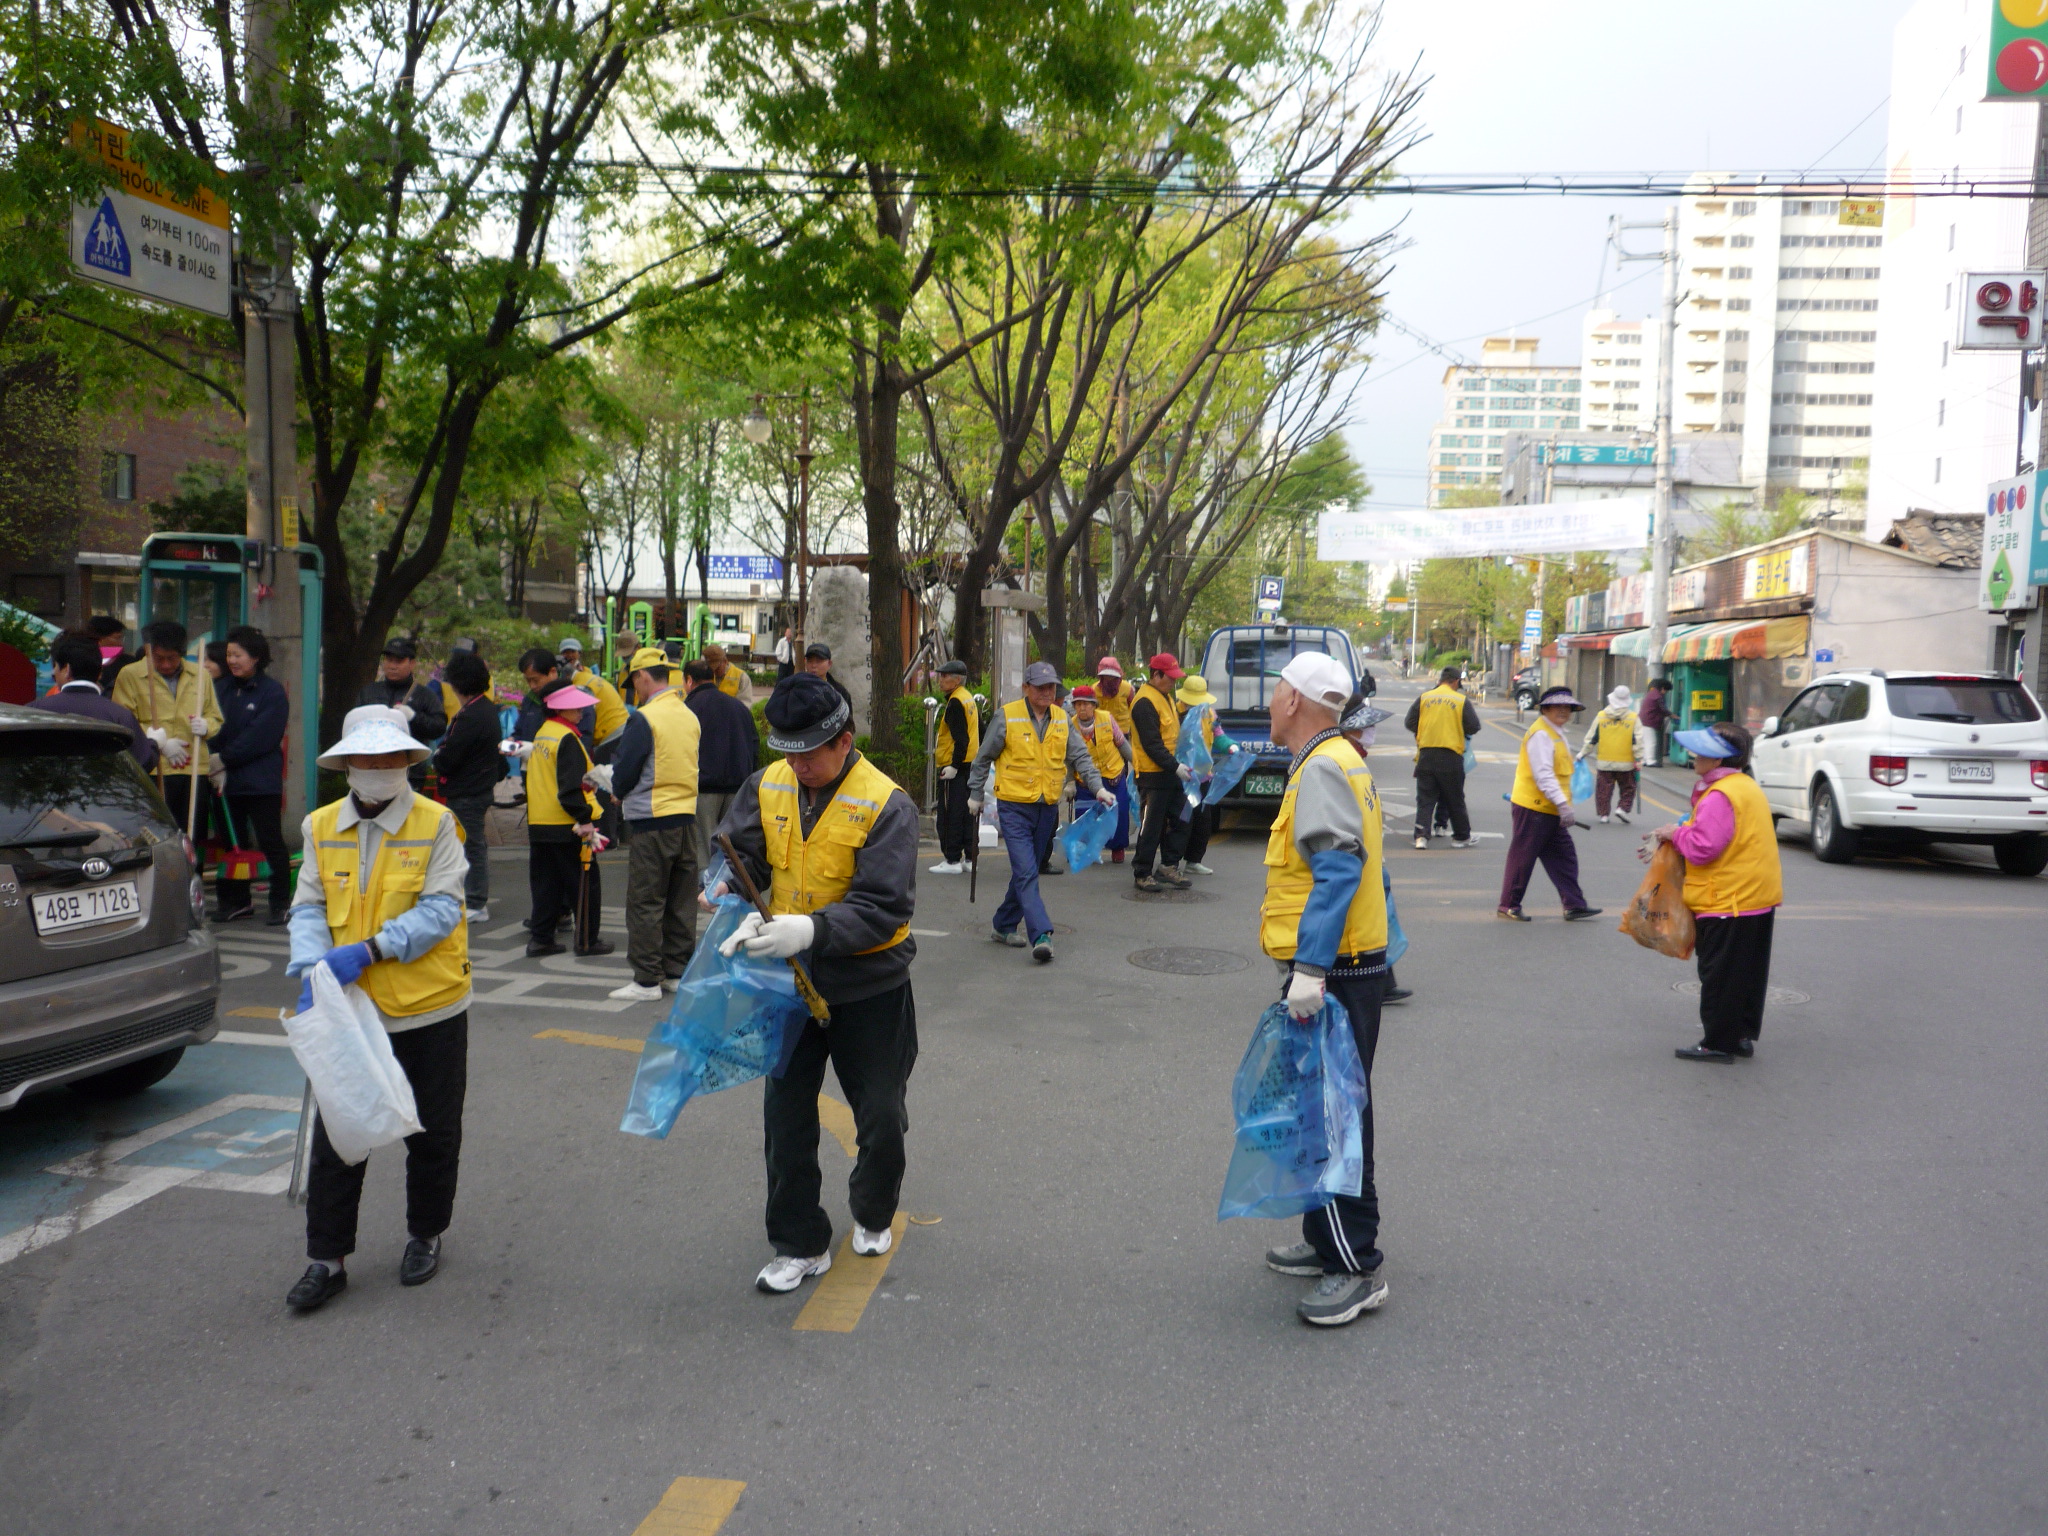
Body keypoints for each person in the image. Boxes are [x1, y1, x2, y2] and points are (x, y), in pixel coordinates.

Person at [708, 673, 920, 1295]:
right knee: (785, 1116)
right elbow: (736, 846)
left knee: (880, 1113)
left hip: (870, 984)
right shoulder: (767, 783)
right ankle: (798, 1242)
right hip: (787, 984)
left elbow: (885, 906)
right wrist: (722, 880)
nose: (797, 766)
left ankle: (874, 1208)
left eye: (809, 754)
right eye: (787, 753)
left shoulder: (888, 804)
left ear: (845, 741)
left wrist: (806, 929)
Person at [282, 705, 472, 1313]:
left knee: (433, 1129)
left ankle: (425, 1233)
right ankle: (327, 1258)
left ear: (407, 761)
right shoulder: (317, 827)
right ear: (346, 766)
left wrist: (367, 950)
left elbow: (442, 910)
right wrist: (311, 962)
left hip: (429, 1003)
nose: (379, 768)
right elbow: (308, 904)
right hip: (349, 1008)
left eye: (391, 757)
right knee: (340, 1133)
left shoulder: (438, 823)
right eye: (366, 758)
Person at [1254, 653, 1392, 1328]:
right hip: (1340, 964)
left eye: (1278, 688)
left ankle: (1355, 1265)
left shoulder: (1326, 765)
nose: (1271, 697)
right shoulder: (1332, 757)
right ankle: (1326, 1239)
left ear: (1296, 702)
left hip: (1333, 970)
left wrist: (1310, 969)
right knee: (1322, 1109)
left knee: (1334, 1116)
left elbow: (1337, 870)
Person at [1647, 724, 1782, 1064]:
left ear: (1719, 756)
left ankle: (1718, 1042)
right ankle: (1739, 1035)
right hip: (1755, 898)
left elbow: (1705, 847)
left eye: (1701, 751)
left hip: (1727, 899)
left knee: (1719, 975)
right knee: (1746, 974)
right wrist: (1677, 831)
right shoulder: (1743, 785)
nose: (1694, 756)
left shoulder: (1720, 794)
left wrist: (1675, 834)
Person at [967, 660, 1116, 961]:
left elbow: (1081, 757)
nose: (1047, 692)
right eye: (1040, 687)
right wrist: (975, 794)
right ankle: (1041, 934)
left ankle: (1003, 924)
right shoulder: (1006, 716)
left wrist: (1098, 787)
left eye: (1051, 687)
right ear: (1026, 688)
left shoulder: (1062, 718)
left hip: (1048, 807)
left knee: (1029, 870)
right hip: (1013, 807)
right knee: (1025, 870)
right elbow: (983, 758)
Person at [608, 646, 702, 1002]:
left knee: (647, 900)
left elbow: (627, 769)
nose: (635, 688)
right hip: (686, 818)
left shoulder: (644, 718)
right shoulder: (688, 715)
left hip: (651, 818)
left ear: (642, 677)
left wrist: (616, 790)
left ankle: (646, 979)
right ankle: (677, 971)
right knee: (680, 899)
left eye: (634, 681)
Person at [512, 682, 613, 958]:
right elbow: (569, 789)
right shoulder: (567, 739)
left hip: (540, 824)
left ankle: (541, 939)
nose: (581, 711)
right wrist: (585, 819)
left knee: (546, 885)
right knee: (584, 884)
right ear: (561, 709)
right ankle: (586, 941)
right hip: (567, 825)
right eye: (575, 707)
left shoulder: (544, 734)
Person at [210, 627, 294, 925]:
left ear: (256, 657)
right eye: (229, 654)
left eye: (238, 655)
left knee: (270, 841)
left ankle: (281, 901)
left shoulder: (271, 692)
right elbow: (212, 725)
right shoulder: (219, 688)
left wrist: (223, 758)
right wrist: (210, 752)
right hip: (224, 780)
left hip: (260, 781)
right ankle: (235, 901)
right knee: (231, 843)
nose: (232, 660)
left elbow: (261, 737)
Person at [1498, 686, 1602, 923]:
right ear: (1545, 708)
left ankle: (1574, 904)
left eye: (1567, 707)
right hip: (1535, 807)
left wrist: (1562, 806)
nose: (1563, 711)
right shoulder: (1541, 734)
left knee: (1564, 857)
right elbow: (1543, 774)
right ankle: (1508, 905)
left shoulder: (1556, 732)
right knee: (1523, 857)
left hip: (1550, 809)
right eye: (1558, 706)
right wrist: (1563, 805)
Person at [111, 618, 222, 834]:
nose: (166, 665)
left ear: (182, 652)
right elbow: (123, 722)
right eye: (159, 658)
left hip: (193, 767)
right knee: (157, 831)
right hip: (152, 765)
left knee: (192, 832)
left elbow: (214, 716)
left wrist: (207, 726)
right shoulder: (131, 674)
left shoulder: (200, 675)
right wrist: (159, 742)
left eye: (172, 658)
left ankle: (192, 869)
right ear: (148, 651)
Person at [1339, 691, 1409, 1005]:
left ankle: (1381, 980)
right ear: (1350, 727)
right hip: (1355, 859)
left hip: (1368, 858)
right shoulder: (1340, 758)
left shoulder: (1353, 756)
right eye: (1366, 726)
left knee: (1376, 917)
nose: (1372, 733)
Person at [434, 651, 506, 923]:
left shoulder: (471, 715)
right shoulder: (485, 708)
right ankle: (470, 897)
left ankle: (475, 900)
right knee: (470, 843)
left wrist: (437, 758)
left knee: (471, 845)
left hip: (467, 789)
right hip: (479, 785)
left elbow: (450, 756)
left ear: (456, 683)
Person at [32, 631, 157, 767]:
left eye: (55, 666)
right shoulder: (119, 715)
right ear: (99, 673)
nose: (53, 673)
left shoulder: (34, 711)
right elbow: (142, 763)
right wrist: (154, 744)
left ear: (67, 669)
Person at [683, 657, 761, 872]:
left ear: (689, 680)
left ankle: (705, 893)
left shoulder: (689, 708)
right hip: (738, 786)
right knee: (732, 844)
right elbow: (754, 743)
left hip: (704, 786)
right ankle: (729, 887)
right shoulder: (738, 707)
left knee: (704, 844)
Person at [1128, 652, 1193, 892]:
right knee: (1151, 825)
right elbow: (1152, 744)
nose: (1174, 682)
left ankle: (1168, 865)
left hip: (1172, 772)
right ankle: (1142, 872)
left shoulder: (1164, 696)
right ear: (1156, 675)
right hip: (1153, 775)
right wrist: (1176, 766)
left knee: (1182, 818)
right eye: (1171, 678)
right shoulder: (1144, 702)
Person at [1403, 666, 1480, 850]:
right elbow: (1474, 726)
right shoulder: (1460, 700)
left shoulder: (1425, 698)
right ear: (1455, 682)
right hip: (1450, 755)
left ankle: (1421, 837)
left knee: (1425, 798)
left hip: (1426, 754)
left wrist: (1425, 730)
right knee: (1454, 798)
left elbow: (1409, 722)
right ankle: (1461, 837)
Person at [356, 636, 447, 788]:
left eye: (398, 661)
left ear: (412, 664)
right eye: (388, 660)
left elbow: (438, 727)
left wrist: (414, 717)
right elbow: (354, 727)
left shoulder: (424, 695)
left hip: (410, 774)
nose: (392, 666)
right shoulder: (369, 692)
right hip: (372, 771)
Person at [1173, 673, 1235, 877]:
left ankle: (1193, 860)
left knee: (1202, 821)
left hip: (1203, 776)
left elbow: (1218, 736)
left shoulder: (1209, 713)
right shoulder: (1174, 712)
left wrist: (1230, 746)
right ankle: (1171, 862)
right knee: (1181, 821)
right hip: (1182, 776)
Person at [1067, 684, 1132, 864]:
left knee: (1119, 812)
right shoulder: (1070, 725)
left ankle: (1117, 848)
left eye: (1086, 704)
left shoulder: (1106, 718)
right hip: (1085, 779)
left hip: (1113, 775)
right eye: (1078, 704)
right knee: (1085, 816)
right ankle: (1085, 849)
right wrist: (1070, 782)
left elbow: (1122, 745)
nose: (1082, 708)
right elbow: (1068, 758)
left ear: (1094, 705)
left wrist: (1140, 766)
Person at [929, 659, 979, 874]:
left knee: (950, 814)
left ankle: (951, 860)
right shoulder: (967, 698)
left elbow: (961, 738)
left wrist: (954, 766)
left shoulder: (955, 702)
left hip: (954, 766)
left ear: (957, 679)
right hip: (970, 765)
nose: (941, 680)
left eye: (945, 676)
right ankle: (969, 857)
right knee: (967, 813)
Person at [1578, 685, 1645, 824]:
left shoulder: (1601, 716)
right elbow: (1637, 741)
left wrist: (1582, 753)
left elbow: (1592, 738)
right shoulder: (1633, 718)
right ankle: (1622, 808)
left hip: (1604, 761)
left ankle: (1604, 815)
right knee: (1628, 788)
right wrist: (1639, 759)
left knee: (1604, 790)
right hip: (1626, 763)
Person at [558, 638, 630, 751]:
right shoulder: (586, 677)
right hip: (621, 727)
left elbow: (585, 725)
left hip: (610, 733)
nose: (569, 655)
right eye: (565, 652)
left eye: (572, 651)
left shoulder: (581, 685)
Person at [513, 647, 593, 743]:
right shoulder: (529, 700)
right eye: (528, 681)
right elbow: (519, 731)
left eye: (535, 680)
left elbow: (583, 743)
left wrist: (535, 750)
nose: (532, 686)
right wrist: (513, 741)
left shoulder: (575, 701)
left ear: (553, 672)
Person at [87, 614, 136, 696]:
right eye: (117, 638)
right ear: (100, 639)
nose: (121, 643)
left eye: (122, 638)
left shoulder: (129, 663)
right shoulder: (84, 662)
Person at [803, 641, 855, 713]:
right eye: (810, 661)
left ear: (829, 664)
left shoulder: (840, 692)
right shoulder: (798, 689)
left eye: (818, 661)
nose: (813, 665)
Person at [1093, 656, 1134, 741]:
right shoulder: (1094, 689)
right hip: (1102, 729)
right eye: (1106, 675)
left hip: (1123, 730)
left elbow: (1133, 707)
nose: (1109, 678)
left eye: (1111, 676)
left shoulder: (1127, 688)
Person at [1639, 677, 1671, 768]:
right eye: (1666, 690)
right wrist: (1671, 715)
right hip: (1649, 721)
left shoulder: (1651, 694)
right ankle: (1650, 761)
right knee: (1651, 741)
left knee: (1645, 741)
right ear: (1663, 688)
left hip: (1643, 720)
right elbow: (1663, 709)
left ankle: (1645, 760)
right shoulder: (1657, 696)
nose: (1666, 692)